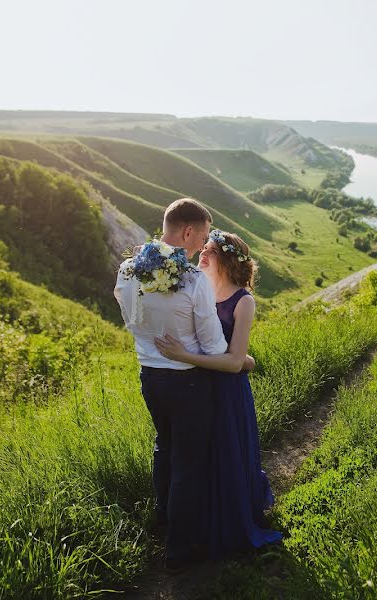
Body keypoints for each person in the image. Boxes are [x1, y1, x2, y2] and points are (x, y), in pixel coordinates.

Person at [114, 198, 243, 568]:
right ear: (188, 232)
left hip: (149, 377)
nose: (204, 246)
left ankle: (163, 517)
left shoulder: (127, 268)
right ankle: (181, 550)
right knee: (189, 462)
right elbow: (215, 345)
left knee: (164, 447)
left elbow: (122, 301)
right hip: (188, 383)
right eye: (202, 237)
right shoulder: (192, 280)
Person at [155, 230, 282, 557]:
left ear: (226, 260)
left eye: (210, 251)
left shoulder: (243, 301)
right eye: (204, 249)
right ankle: (190, 523)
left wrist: (187, 357)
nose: (202, 254)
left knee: (224, 452)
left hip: (225, 391)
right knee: (198, 458)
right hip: (195, 387)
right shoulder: (199, 290)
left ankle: (225, 522)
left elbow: (234, 361)